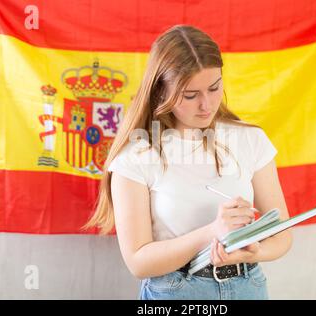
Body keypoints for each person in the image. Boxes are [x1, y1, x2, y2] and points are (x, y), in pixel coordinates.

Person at [83, 24, 293, 300]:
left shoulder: (250, 139)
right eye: (190, 95)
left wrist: (256, 250)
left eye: (214, 87)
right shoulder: (137, 155)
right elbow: (138, 261)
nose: (206, 105)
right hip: (176, 293)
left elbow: (281, 234)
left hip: (248, 287)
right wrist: (212, 232)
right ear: (160, 92)